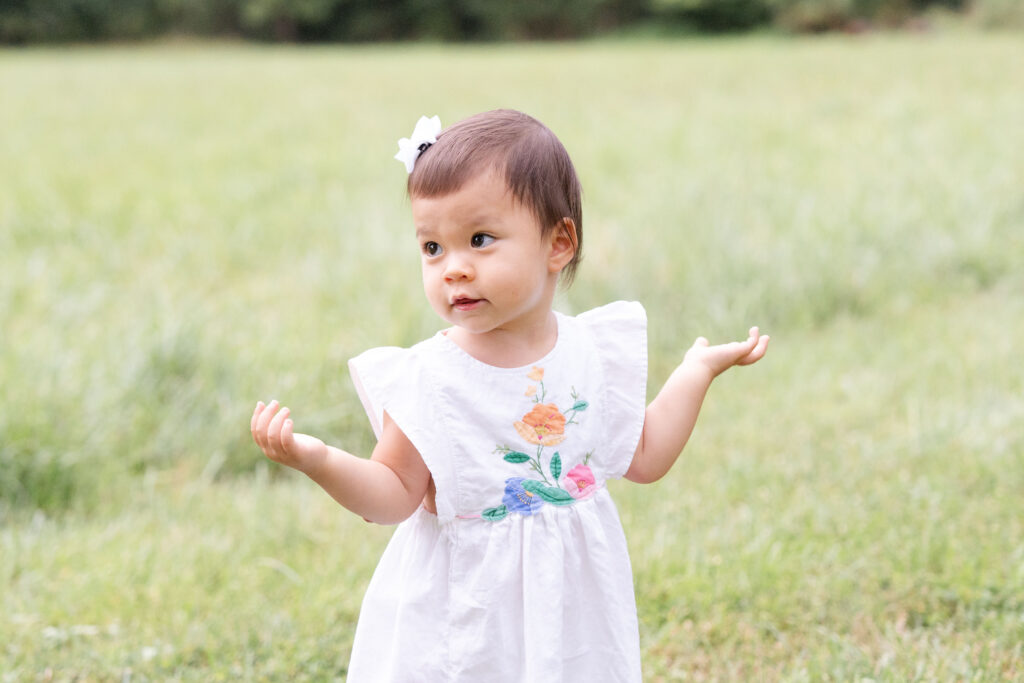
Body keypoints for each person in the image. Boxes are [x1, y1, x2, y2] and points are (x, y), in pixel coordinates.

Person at [250, 109, 769, 682]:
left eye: (479, 240)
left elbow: (643, 455)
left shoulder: (590, 351)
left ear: (558, 243)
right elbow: (394, 495)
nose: (454, 270)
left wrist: (695, 372)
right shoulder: (432, 378)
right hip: (465, 618)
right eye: (432, 248)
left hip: (571, 612)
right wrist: (317, 458)